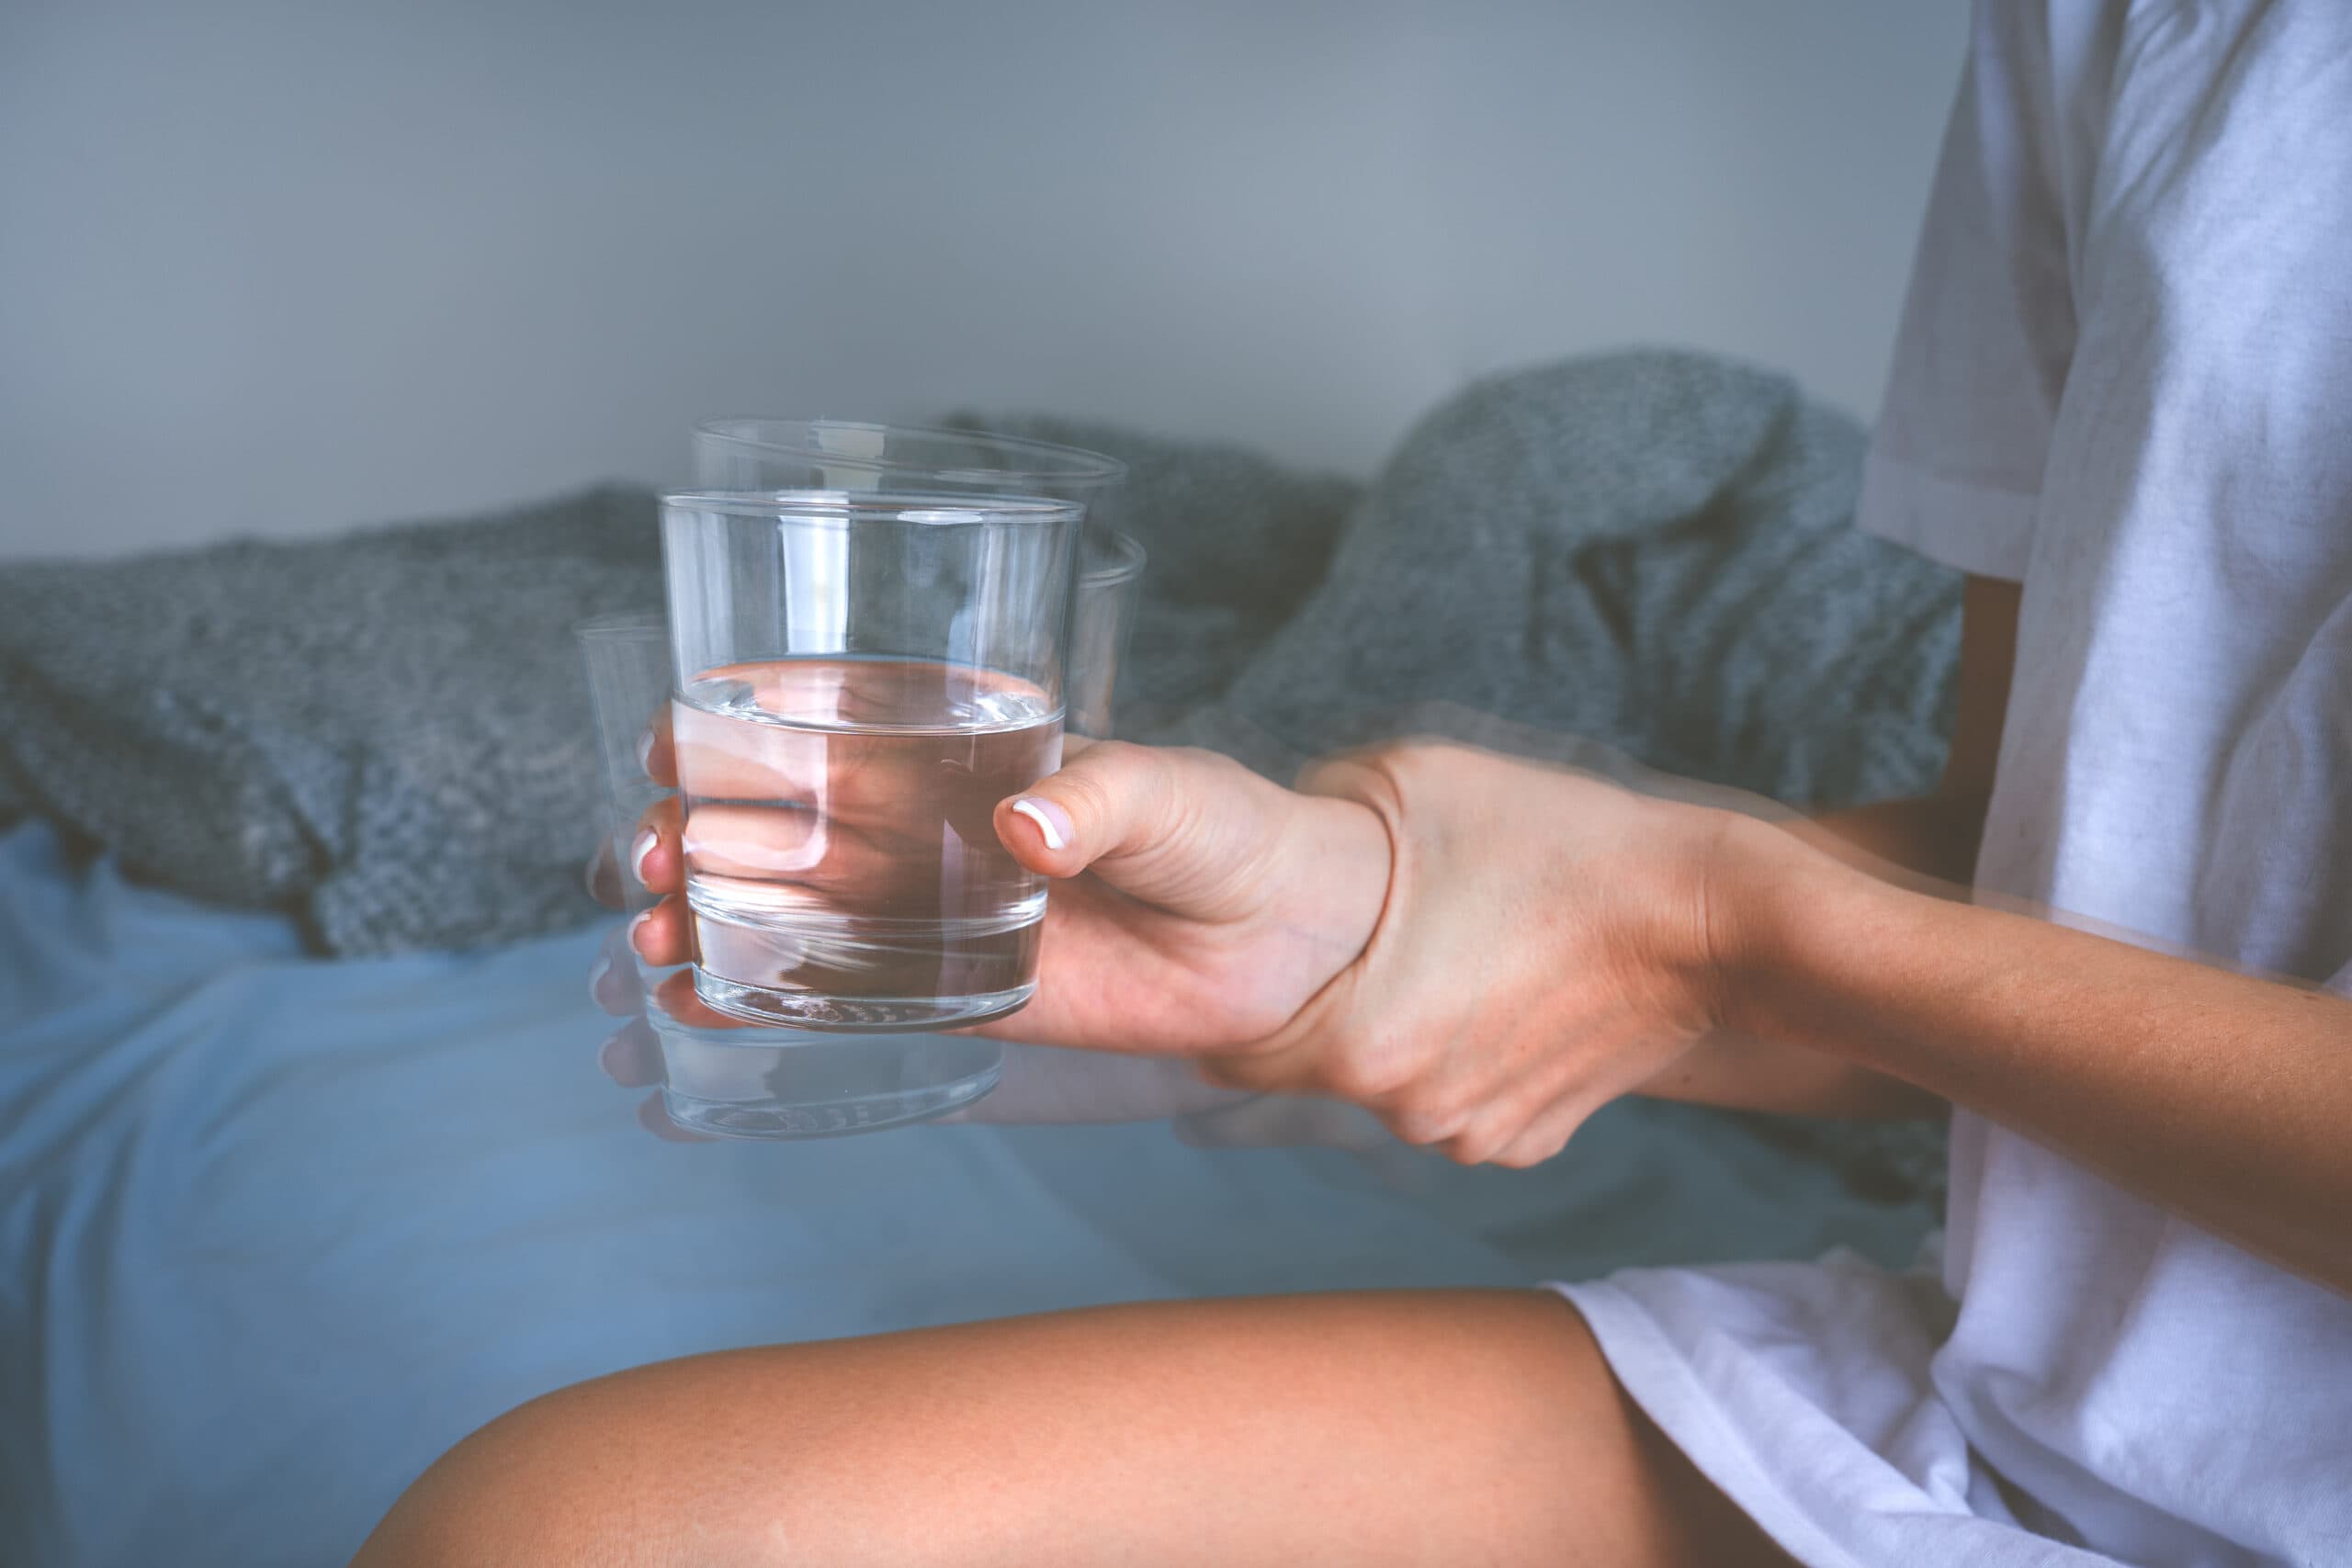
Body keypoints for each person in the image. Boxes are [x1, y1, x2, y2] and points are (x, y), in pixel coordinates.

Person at [354, 3, 2352, 1562]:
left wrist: (1708, 912)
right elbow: (2024, 903)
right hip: (2041, 1428)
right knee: (569, 1520)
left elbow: (1842, 948)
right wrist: (1343, 938)